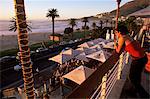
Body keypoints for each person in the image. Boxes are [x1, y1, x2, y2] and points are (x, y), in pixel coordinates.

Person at [114, 24, 149, 98]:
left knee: (133, 78)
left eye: (116, 32)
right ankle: (132, 91)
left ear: (119, 32)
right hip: (142, 57)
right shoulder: (128, 36)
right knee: (136, 77)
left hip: (138, 59)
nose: (115, 34)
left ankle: (144, 95)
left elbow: (118, 51)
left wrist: (115, 44)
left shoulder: (122, 38)